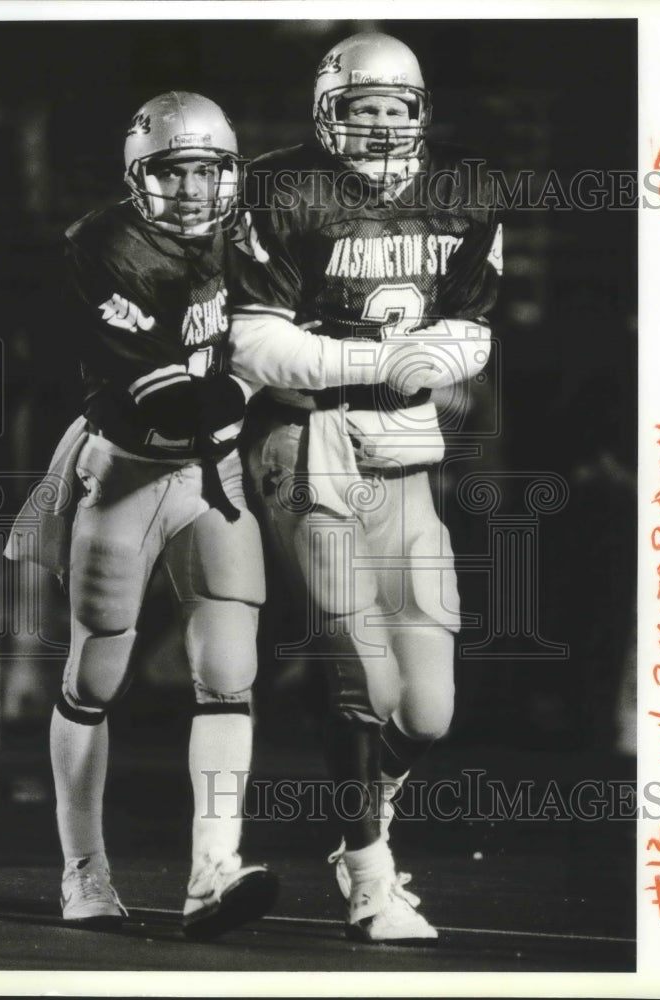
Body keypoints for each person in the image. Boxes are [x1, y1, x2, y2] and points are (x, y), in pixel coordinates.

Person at [229, 32, 502, 943]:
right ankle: (371, 876)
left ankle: (361, 830)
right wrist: (383, 360)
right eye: (361, 107)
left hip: (404, 447)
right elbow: (256, 343)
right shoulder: (278, 185)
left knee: (426, 711)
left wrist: (428, 358)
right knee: (362, 674)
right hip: (309, 438)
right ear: (326, 113)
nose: (380, 123)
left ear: (420, 113)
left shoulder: (467, 186)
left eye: (395, 108)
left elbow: (473, 329)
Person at [6, 91, 277, 938]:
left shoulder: (250, 234)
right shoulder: (103, 245)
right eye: (175, 170)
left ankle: (212, 870)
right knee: (95, 680)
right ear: (139, 178)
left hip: (215, 475)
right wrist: (275, 366)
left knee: (231, 672)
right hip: (127, 470)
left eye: (208, 169)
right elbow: (167, 400)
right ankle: (83, 871)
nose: (194, 188)